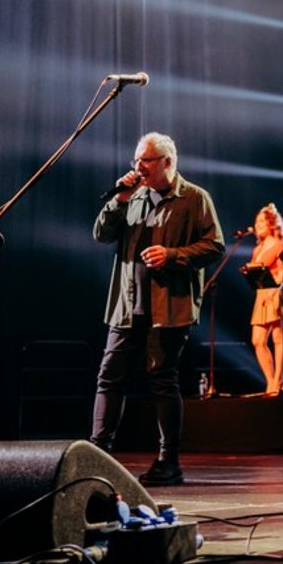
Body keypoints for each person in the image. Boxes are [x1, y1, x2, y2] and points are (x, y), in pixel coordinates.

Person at [90, 131, 225, 485]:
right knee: (109, 378)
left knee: (163, 381)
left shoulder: (195, 198)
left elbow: (214, 246)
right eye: (137, 160)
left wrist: (173, 255)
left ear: (167, 162)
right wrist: (118, 200)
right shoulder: (131, 197)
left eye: (146, 160)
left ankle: (169, 462)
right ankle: (96, 454)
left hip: (169, 309)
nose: (138, 166)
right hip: (126, 306)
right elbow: (101, 235)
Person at [242, 202, 283, 394]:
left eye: (261, 221)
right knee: (258, 340)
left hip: (277, 292)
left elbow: (264, 266)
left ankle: (278, 381)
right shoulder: (258, 248)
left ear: (271, 224)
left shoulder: (278, 244)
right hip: (262, 294)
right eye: (256, 221)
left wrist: (251, 269)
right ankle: (270, 380)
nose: (257, 225)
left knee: (278, 338)